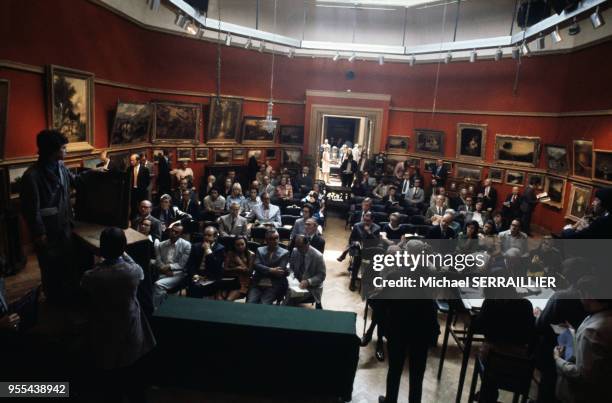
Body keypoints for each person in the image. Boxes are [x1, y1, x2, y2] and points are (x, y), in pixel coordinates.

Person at [80, 227, 156, 402]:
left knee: (111, 379)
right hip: (130, 327)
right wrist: (122, 253)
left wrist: (101, 260)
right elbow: (137, 268)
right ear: (123, 247)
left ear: (102, 248)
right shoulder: (133, 272)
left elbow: (85, 286)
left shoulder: (92, 276)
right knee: (133, 377)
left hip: (105, 329)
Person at [20, 129, 81, 303]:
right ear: (52, 151)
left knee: (67, 264)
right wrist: (39, 234)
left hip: (65, 226)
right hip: (48, 231)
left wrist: (97, 176)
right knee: (50, 267)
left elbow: (76, 180)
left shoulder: (60, 167)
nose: (66, 151)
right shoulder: (32, 176)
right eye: (63, 148)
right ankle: (53, 300)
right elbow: (31, 210)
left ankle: (67, 296)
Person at [554, 275, 612, 403]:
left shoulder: (592, 331)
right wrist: (574, 334)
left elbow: (581, 375)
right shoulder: (603, 315)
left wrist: (558, 359)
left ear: (588, 296)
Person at [472, 287, 535, 403]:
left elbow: (478, 327)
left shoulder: (490, 303)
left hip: (493, 360)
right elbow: (529, 336)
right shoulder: (526, 305)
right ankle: (487, 396)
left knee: (489, 360)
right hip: (519, 363)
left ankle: (487, 396)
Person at [152, 223, 191, 307]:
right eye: (172, 231)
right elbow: (159, 261)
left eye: (176, 232)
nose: (173, 233)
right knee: (156, 285)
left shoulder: (186, 245)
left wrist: (168, 267)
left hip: (178, 273)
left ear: (181, 234)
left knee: (158, 285)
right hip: (163, 271)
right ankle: (162, 306)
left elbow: (182, 264)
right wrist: (164, 269)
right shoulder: (162, 244)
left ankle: (155, 309)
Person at [247, 229, 290, 304]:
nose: (275, 241)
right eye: (271, 239)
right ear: (266, 240)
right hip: (258, 282)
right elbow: (256, 265)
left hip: (273, 283)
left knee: (264, 304)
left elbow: (280, 271)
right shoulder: (259, 250)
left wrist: (263, 269)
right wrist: (271, 270)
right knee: (250, 302)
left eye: (277, 238)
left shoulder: (285, 253)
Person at [284, 235, 326, 309]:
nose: (299, 249)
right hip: (295, 283)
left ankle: (283, 311)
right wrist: (290, 274)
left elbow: (321, 275)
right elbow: (291, 267)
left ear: (307, 244)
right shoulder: (295, 251)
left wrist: (308, 281)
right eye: (297, 246)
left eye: (301, 247)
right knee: (281, 289)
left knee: (291, 297)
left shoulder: (318, 256)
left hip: (311, 287)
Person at [186, 226, 225, 298]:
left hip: (210, 278)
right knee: (193, 287)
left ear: (215, 237)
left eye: (209, 235)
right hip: (197, 276)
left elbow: (216, 267)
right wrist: (194, 274)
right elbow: (190, 264)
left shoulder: (220, 249)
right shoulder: (196, 246)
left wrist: (208, 251)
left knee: (198, 288)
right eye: (205, 235)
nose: (206, 237)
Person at [221, 236, 254, 301]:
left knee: (228, 299)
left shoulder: (251, 254)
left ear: (246, 244)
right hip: (230, 280)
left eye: (242, 244)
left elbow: (250, 273)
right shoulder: (230, 253)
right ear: (234, 245)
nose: (240, 247)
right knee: (220, 298)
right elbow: (225, 270)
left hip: (242, 282)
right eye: (237, 245)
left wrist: (240, 263)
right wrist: (236, 268)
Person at [127, 153, 150, 219]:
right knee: (133, 206)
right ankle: (133, 220)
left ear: (138, 161)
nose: (131, 162)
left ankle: (142, 218)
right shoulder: (129, 169)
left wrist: (142, 188)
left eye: (133, 160)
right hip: (132, 191)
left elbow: (147, 181)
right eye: (130, 160)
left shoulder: (145, 169)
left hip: (141, 191)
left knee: (142, 206)